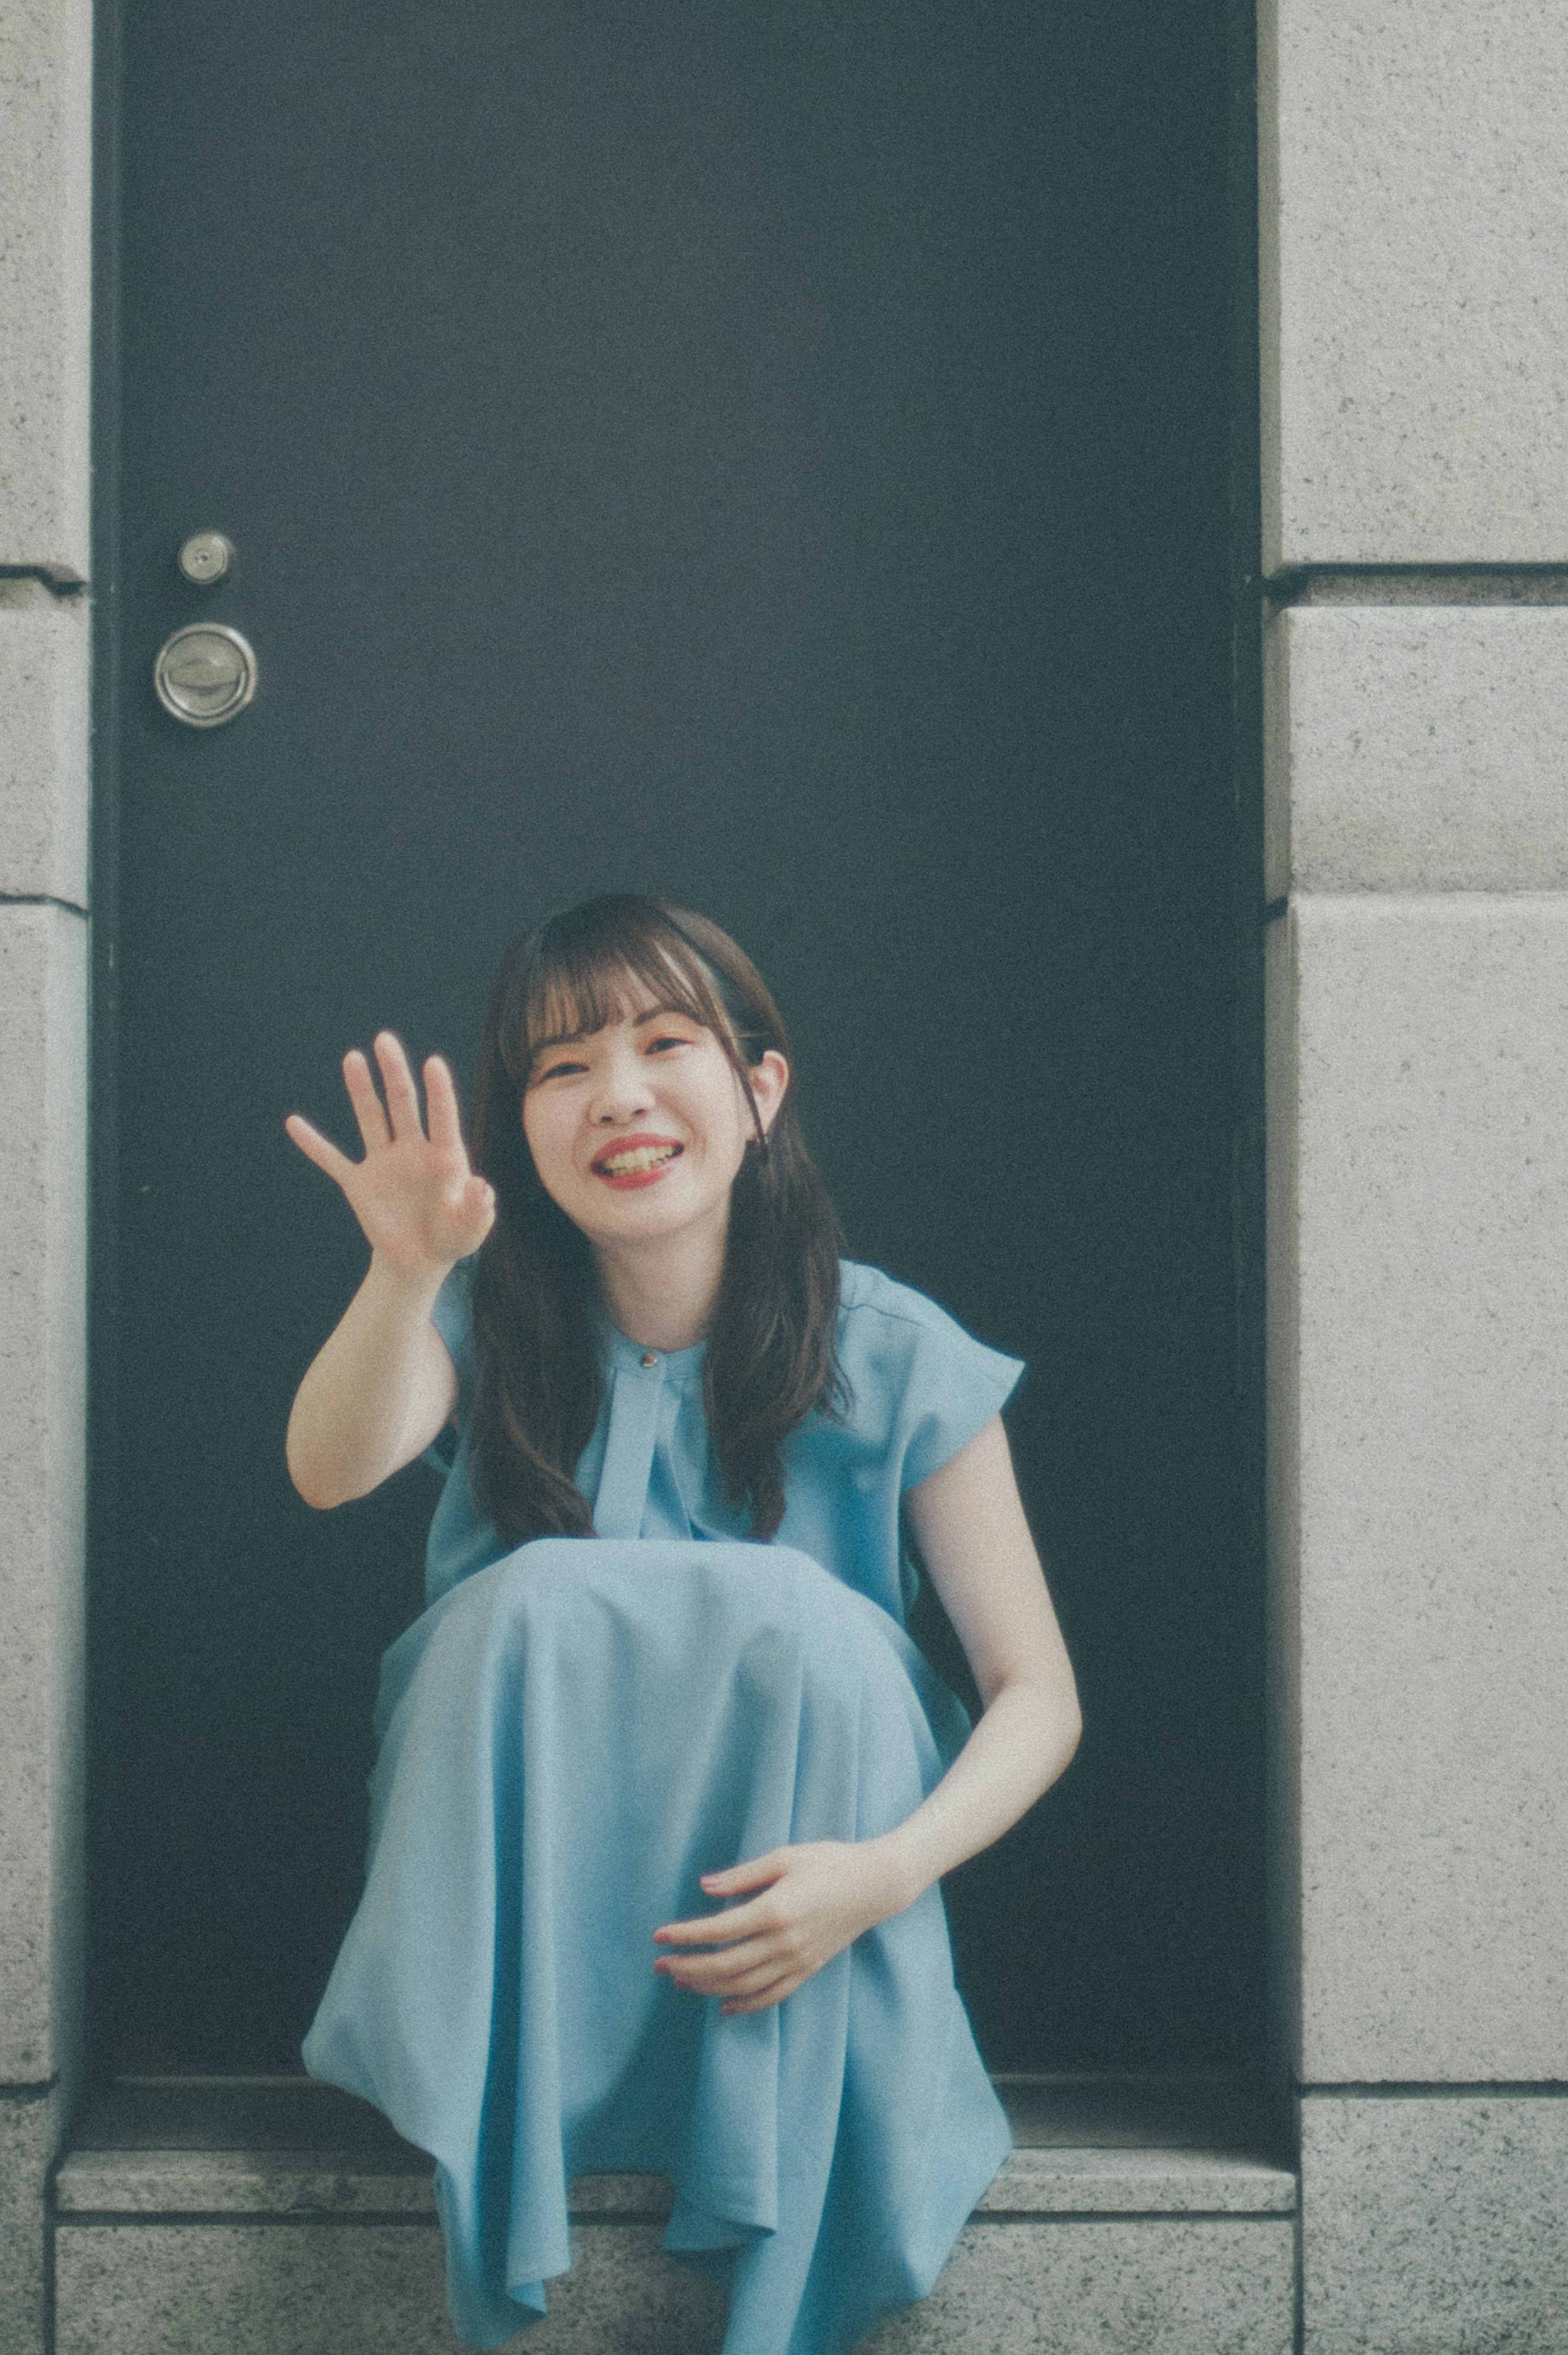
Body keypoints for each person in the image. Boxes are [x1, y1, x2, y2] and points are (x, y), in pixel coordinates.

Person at [282, 892, 1081, 2355]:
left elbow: (1039, 1692)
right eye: (563, 1066)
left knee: (812, 1624)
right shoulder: (482, 1320)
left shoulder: (893, 1349)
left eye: (665, 1043)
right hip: (534, 1907)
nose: (621, 1096)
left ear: (760, 1090)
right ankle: (532, 2085)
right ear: (522, 1124)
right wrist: (405, 1274)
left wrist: (882, 1876)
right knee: (516, 1604)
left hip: (809, 1905)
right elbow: (328, 1472)